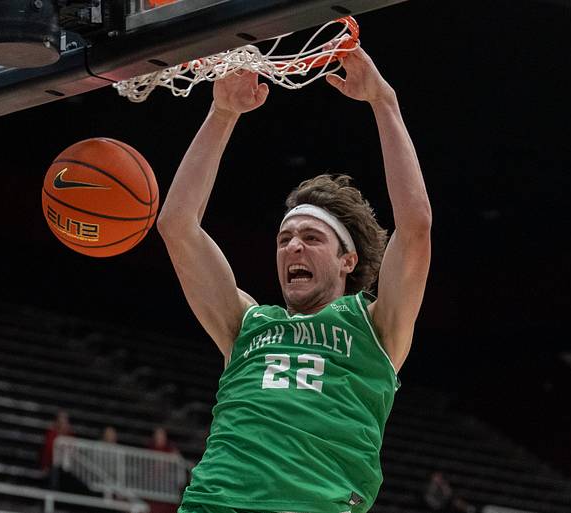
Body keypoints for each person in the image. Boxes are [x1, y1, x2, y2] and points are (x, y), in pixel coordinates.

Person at [156, 43, 431, 513]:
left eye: (311, 237)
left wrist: (384, 103)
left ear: (348, 260)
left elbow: (416, 226)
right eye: (284, 239)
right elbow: (176, 224)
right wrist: (222, 114)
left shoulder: (377, 327)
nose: (293, 247)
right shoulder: (245, 323)